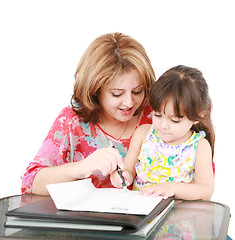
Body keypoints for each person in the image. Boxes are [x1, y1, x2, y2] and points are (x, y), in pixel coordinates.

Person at [21, 32, 156, 195]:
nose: (129, 103)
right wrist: (81, 168)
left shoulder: (157, 116)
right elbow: (30, 182)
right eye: (117, 94)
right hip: (84, 219)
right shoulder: (71, 122)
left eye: (137, 91)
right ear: (95, 90)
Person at [111, 65, 215, 200]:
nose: (163, 126)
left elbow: (206, 190)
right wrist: (122, 177)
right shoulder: (143, 134)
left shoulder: (199, 146)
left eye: (175, 120)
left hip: (179, 217)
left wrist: (172, 188)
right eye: (157, 115)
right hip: (141, 213)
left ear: (198, 116)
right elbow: (129, 172)